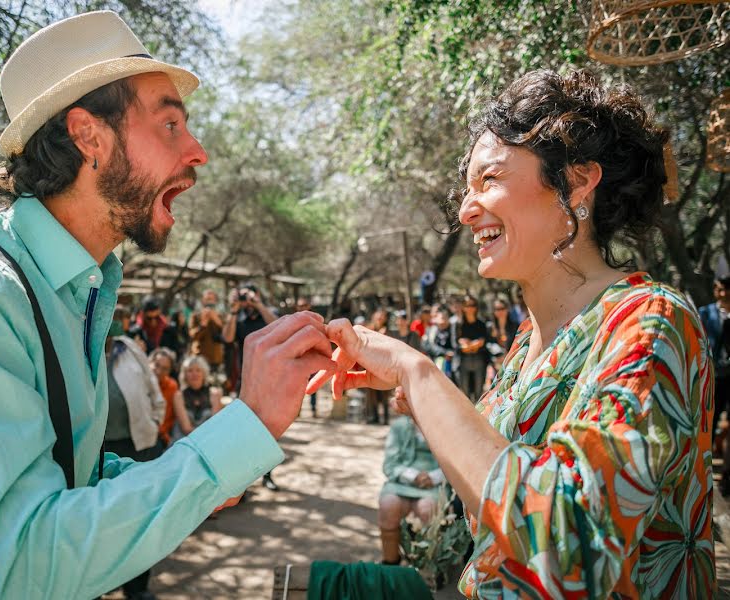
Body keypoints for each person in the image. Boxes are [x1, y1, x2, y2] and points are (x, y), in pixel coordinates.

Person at [0, 12, 333, 598]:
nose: (197, 153)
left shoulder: (73, 284)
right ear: (88, 135)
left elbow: (65, 470)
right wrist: (237, 434)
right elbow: (29, 562)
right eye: (170, 124)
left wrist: (210, 461)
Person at [309, 69, 714, 597]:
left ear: (575, 181)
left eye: (490, 180)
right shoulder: (529, 341)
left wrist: (419, 373)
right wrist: (420, 399)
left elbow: (566, 545)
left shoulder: (649, 322)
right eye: (468, 186)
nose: (465, 208)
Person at [104, 319, 166, 600]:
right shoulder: (75, 347)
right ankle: (99, 585)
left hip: (137, 444)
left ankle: (138, 587)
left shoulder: (128, 348)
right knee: (106, 520)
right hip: (98, 451)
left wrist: (156, 419)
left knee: (140, 517)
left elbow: (153, 388)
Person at [378, 388, 447, 566]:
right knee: (389, 505)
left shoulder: (444, 427)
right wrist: (414, 476)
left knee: (428, 509)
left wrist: (433, 477)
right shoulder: (399, 427)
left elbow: (453, 463)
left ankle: (427, 566)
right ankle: (391, 563)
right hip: (402, 481)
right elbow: (390, 464)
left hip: (433, 484)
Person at [222, 282, 281, 490]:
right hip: (245, 380)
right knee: (244, 428)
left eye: (251, 295)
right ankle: (244, 479)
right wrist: (233, 310)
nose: (248, 300)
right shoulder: (238, 318)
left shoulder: (268, 313)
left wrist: (259, 304)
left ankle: (267, 474)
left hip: (270, 379)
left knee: (268, 429)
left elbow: (279, 326)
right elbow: (227, 337)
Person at [699, 276, 730, 494]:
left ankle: (726, 477)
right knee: (709, 423)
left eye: (726, 290)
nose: (723, 294)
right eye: (719, 289)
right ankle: (703, 471)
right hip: (714, 378)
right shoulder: (705, 313)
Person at [172, 355, 223, 438]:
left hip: (209, 440)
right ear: (184, 375)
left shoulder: (215, 394)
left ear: (204, 373)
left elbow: (215, 425)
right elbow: (186, 428)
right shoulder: (178, 396)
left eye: (198, 370)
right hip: (185, 440)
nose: (194, 374)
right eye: (190, 370)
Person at [456, 294, 490, 403]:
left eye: (472, 305)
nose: (470, 308)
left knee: (478, 393)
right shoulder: (458, 324)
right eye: (467, 305)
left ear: (476, 307)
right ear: (463, 307)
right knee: (465, 393)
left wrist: (468, 345)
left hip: (479, 360)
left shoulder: (482, 324)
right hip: (463, 362)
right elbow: (456, 344)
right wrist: (473, 344)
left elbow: (483, 343)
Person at [188, 288, 225, 377]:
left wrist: (217, 320)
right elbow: (193, 337)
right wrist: (203, 324)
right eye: (207, 299)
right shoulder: (195, 316)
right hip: (199, 357)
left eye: (212, 299)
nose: (210, 302)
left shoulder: (221, 316)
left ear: (215, 301)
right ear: (202, 301)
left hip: (216, 359)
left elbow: (227, 336)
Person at [150, 347, 180, 448]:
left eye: (165, 368)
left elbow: (168, 418)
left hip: (159, 437)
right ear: (149, 362)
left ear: (169, 371)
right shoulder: (139, 382)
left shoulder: (172, 386)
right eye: (156, 365)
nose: (158, 371)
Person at [486, 295, 519, 373]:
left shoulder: (515, 326)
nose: (500, 311)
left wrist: (507, 355)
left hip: (512, 363)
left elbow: (518, 344)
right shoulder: (489, 327)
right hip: (495, 364)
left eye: (502, 308)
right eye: (497, 309)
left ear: (507, 309)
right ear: (494, 311)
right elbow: (488, 344)